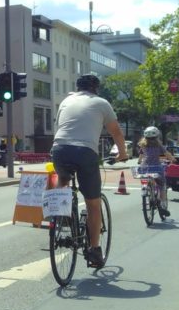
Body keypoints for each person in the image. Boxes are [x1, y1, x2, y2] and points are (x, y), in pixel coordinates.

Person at [50, 74, 129, 269]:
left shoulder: (66, 101)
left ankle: (62, 215)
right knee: (93, 203)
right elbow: (116, 132)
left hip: (60, 148)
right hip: (85, 151)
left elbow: (60, 125)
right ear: (96, 89)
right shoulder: (102, 103)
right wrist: (122, 153)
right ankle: (94, 250)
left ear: (77, 88)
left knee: (63, 179)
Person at [138, 126, 176, 218]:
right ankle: (162, 205)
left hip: (145, 167)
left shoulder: (143, 145)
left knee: (146, 180)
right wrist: (172, 159)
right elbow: (167, 154)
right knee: (162, 185)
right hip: (156, 167)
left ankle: (148, 190)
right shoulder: (159, 145)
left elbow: (141, 155)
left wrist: (139, 161)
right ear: (157, 136)